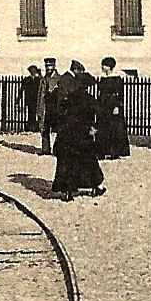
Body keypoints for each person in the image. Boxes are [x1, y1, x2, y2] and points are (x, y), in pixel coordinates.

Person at [51, 61, 105, 201]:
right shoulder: (88, 99)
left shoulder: (69, 98)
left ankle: (68, 191)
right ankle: (94, 187)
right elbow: (100, 113)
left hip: (68, 136)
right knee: (89, 161)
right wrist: (94, 127)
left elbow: (61, 112)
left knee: (68, 162)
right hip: (83, 136)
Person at [94, 57, 131, 160]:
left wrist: (117, 106)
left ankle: (115, 151)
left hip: (112, 104)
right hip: (103, 105)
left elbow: (120, 95)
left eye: (104, 65)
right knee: (102, 127)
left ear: (109, 67)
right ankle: (102, 151)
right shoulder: (102, 79)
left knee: (114, 128)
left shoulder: (117, 79)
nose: (102, 67)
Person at [39, 57, 61, 155]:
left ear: (54, 66)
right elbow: (41, 95)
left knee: (58, 129)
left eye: (50, 65)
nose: (48, 68)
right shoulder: (43, 79)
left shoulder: (59, 78)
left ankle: (58, 149)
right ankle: (45, 149)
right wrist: (39, 110)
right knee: (44, 128)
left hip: (55, 107)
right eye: (47, 66)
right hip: (46, 107)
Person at [20, 64, 44, 133]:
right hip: (30, 99)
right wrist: (19, 98)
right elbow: (22, 89)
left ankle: (36, 126)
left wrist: (40, 74)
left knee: (37, 113)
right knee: (31, 113)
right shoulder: (27, 79)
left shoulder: (38, 79)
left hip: (37, 99)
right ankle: (31, 126)